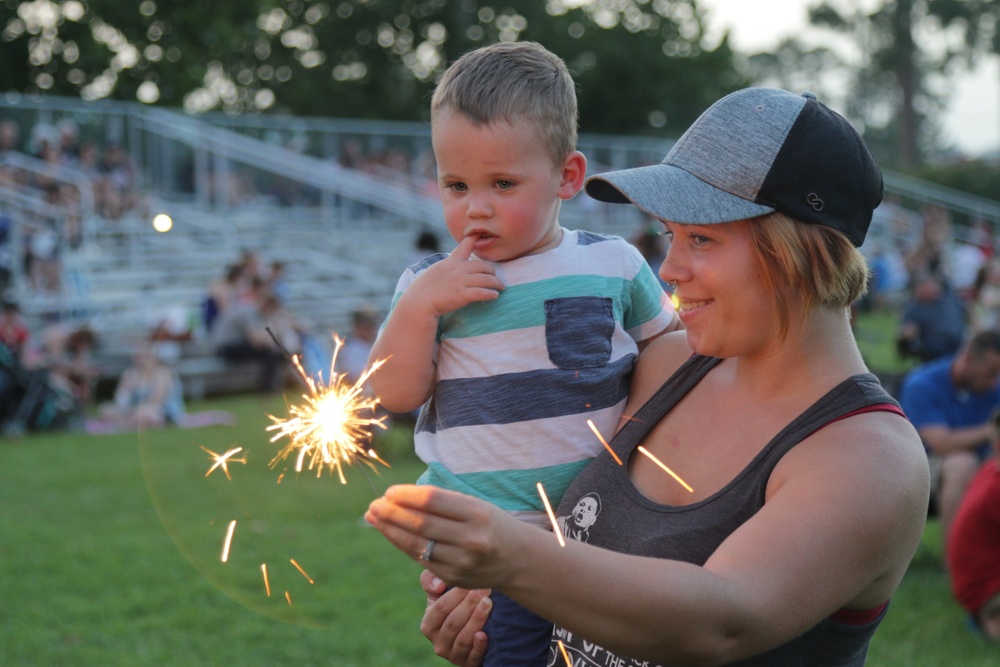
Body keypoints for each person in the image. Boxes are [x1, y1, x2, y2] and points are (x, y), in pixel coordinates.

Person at [366, 87, 930, 667]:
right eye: (670, 235)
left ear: (799, 253)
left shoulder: (870, 458)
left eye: (702, 239)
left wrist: (512, 557)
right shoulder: (662, 366)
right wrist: (492, 607)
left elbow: (724, 620)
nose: (670, 268)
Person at [367, 41, 680, 667]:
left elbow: (672, 355)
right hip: (487, 547)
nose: (474, 206)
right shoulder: (429, 284)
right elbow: (394, 394)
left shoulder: (612, 263)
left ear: (567, 176)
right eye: (456, 185)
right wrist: (416, 310)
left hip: (605, 534)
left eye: (502, 183)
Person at [899, 330, 1000, 547]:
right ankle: (960, 558)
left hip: (982, 460)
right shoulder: (922, 384)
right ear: (968, 358)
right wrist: (989, 430)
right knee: (962, 463)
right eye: (990, 373)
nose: (994, 383)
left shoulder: (994, 386)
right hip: (923, 469)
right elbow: (941, 444)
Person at [946, 409, 1000, 640]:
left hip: (975, 586)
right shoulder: (996, 487)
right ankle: (990, 618)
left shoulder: (991, 469)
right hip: (986, 589)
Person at [99, 343, 183, 430]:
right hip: (133, 409)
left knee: (146, 413)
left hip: (161, 410)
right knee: (106, 409)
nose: (140, 360)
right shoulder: (130, 374)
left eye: (144, 356)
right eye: (137, 356)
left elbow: (158, 400)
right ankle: (129, 421)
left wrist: (137, 409)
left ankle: (126, 423)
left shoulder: (163, 373)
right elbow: (121, 397)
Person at [895, 272, 967, 363]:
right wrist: (908, 333)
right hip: (934, 353)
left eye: (935, 285)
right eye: (929, 286)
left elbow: (966, 310)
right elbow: (904, 332)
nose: (935, 288)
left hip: (958, 348)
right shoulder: (915, 309)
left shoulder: (949, 301)